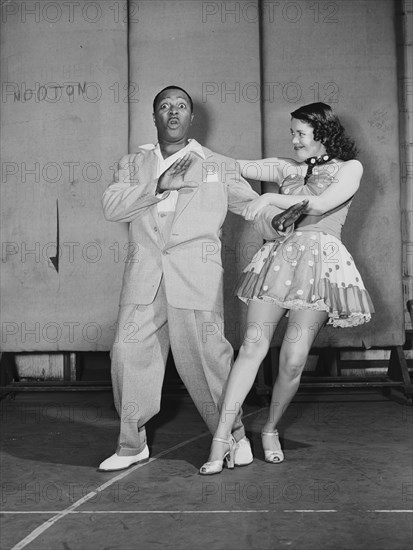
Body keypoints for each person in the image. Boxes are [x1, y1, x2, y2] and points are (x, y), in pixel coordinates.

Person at [99, 86, 307, 471]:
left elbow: (251, 207)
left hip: (196, 277)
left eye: (181, 106)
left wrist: (275, 221)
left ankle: (234, 436)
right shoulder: (133, 164)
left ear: (192, 117)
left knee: (208, 361)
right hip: (144, 277)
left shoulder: (217, 164)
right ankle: (131, 444)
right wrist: (158, 186)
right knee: (127, 356)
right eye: (164, 106)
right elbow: (112, 206)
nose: (173, 113)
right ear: (154, 116)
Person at [200, 102, 374, 475]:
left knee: (293, 360)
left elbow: (324, 203)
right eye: (291, 132)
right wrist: (189, 150)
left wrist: (270, 198)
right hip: (278, 264)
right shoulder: (285, 167)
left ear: (323, 133)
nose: (293, 139)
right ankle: (220, 438)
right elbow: (235, 164)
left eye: (300, 133)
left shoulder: (350, 168)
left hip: (320, 265)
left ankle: (270, 429)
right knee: (251, 347)